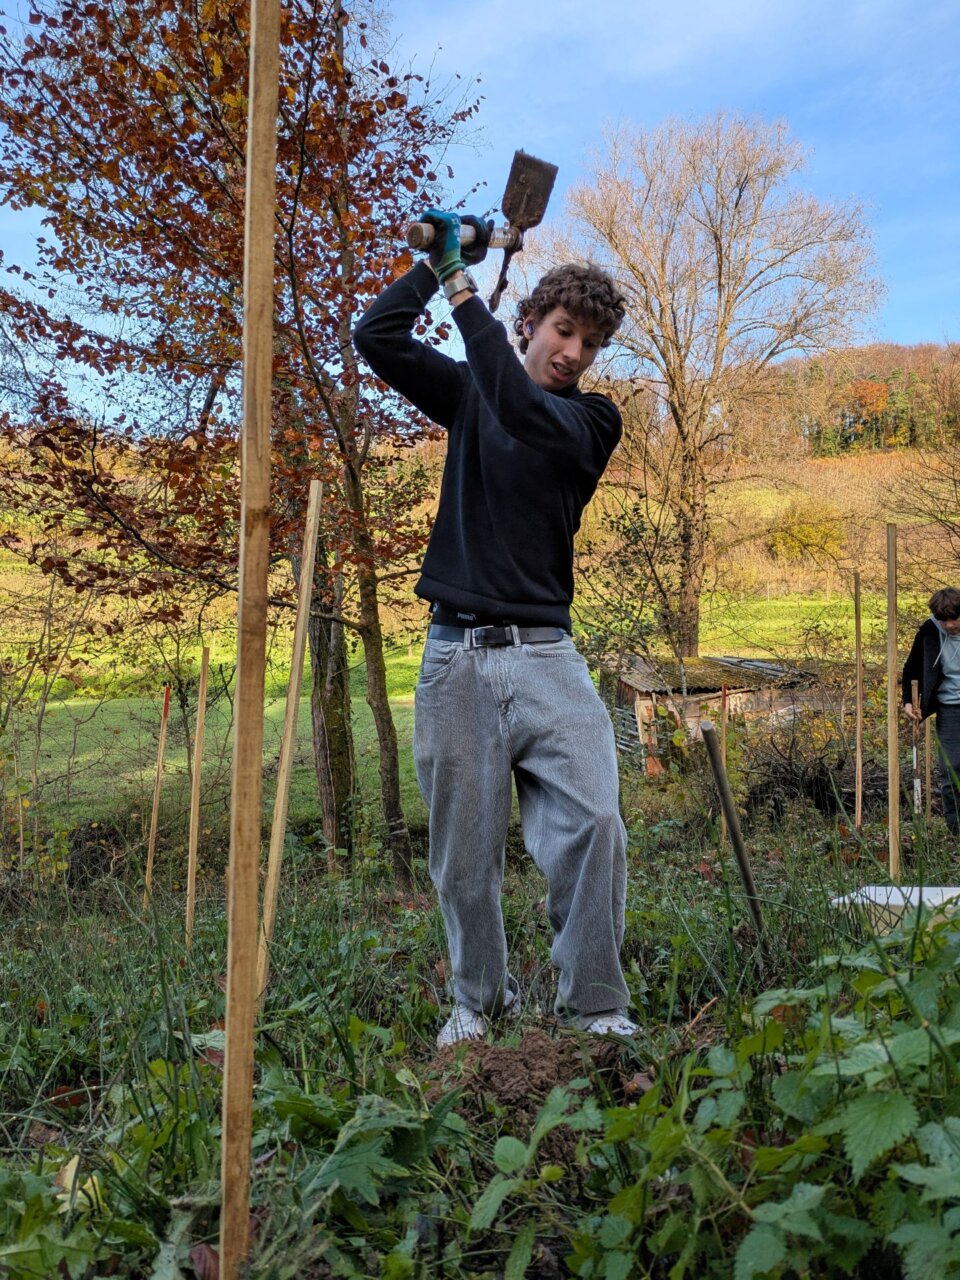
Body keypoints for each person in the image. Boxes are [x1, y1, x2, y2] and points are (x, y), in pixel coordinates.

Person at [353, 208, 637, 1046]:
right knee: (463, 860)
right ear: (529, 325)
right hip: (456, 660)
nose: (575, 353)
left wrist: (460, 286)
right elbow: (378, 336)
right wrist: (437, 262)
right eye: (562, 330)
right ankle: (478, 1003)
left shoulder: (591, 423)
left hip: (550, 660)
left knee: (594, 822)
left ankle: (595, 1008)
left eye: (590, 342)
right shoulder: (473, 388)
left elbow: (516, 406)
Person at [903, 586, 960, 833]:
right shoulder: (928, 631)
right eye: (943, 620)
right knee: (951, 769)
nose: (949, 625)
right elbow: (911, 668)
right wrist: (908, 702)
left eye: (954, 619)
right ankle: (955, 830)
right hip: (949, 709)